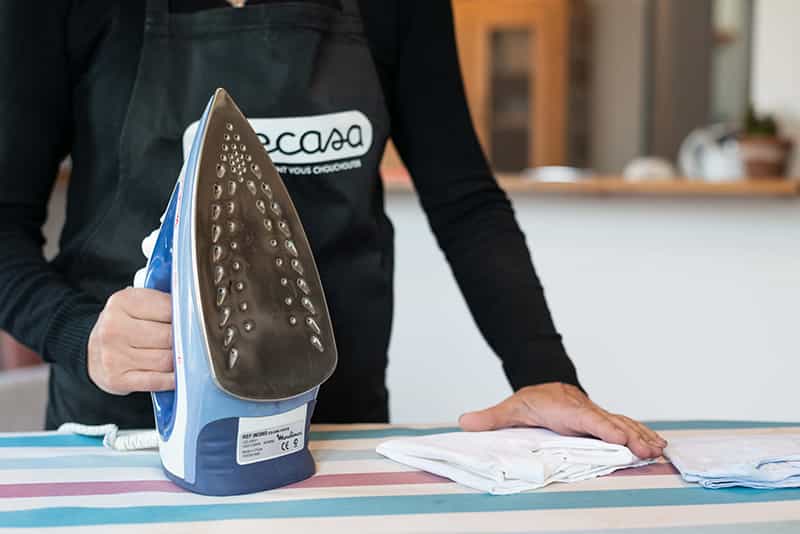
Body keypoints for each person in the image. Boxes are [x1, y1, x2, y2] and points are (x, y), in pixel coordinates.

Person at [0, 0, 666, 458]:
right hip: (129, 439)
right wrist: (81, 335)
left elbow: (465, 205)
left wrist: (545, 377)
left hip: (333, 436)